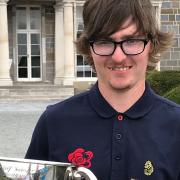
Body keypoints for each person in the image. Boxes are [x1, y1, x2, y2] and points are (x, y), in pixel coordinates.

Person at [25, 0, 180, 179]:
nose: (118, 57)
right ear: (90, 48)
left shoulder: (176, 125)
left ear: (150, 45)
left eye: (131, 41)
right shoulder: (53, 122)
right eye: (105, 42)